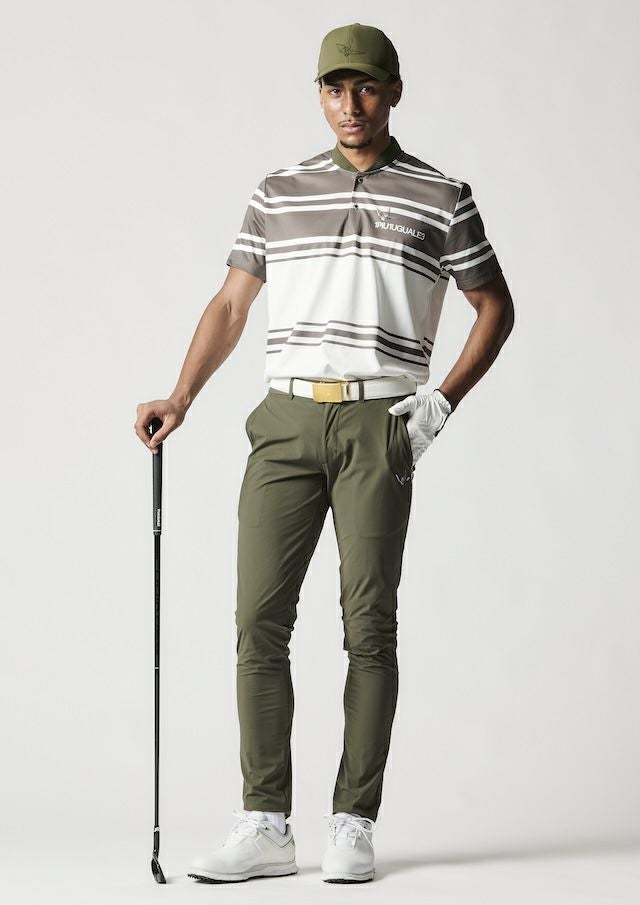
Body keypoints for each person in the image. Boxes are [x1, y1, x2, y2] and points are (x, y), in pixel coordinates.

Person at [135, 21, 514, 885]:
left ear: (394, 92)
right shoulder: (278, 190)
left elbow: (495, 304)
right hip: (285, 421)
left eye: (367, 87)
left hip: (380, 423)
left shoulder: (442, 195)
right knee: (258, 621)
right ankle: (266, 822)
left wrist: (441, 402)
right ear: (319, 95)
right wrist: (180, 396)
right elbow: (231, 305)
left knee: (367, 626)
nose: (351, 105)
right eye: (335, 89)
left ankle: (353, 821)